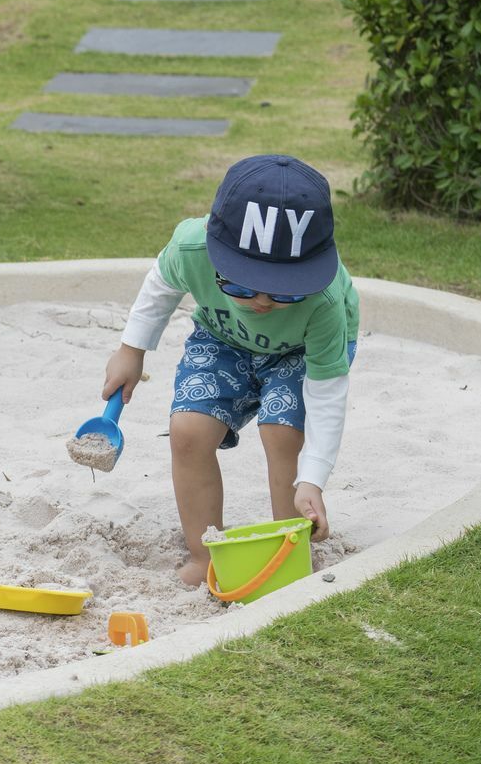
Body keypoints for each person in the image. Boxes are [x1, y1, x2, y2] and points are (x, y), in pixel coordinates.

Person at [97, 156, 360, 587]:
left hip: (298, 351)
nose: (260, 301)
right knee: (188, 431)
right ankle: (204, 555)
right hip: (223, 336)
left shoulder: (325, 303)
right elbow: (161, 286)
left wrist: (313, 479)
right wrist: (132, 350)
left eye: (282, 291)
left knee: (282, 431)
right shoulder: (191, 246)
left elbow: (327, 393)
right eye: (237, 283)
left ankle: (287, 551)